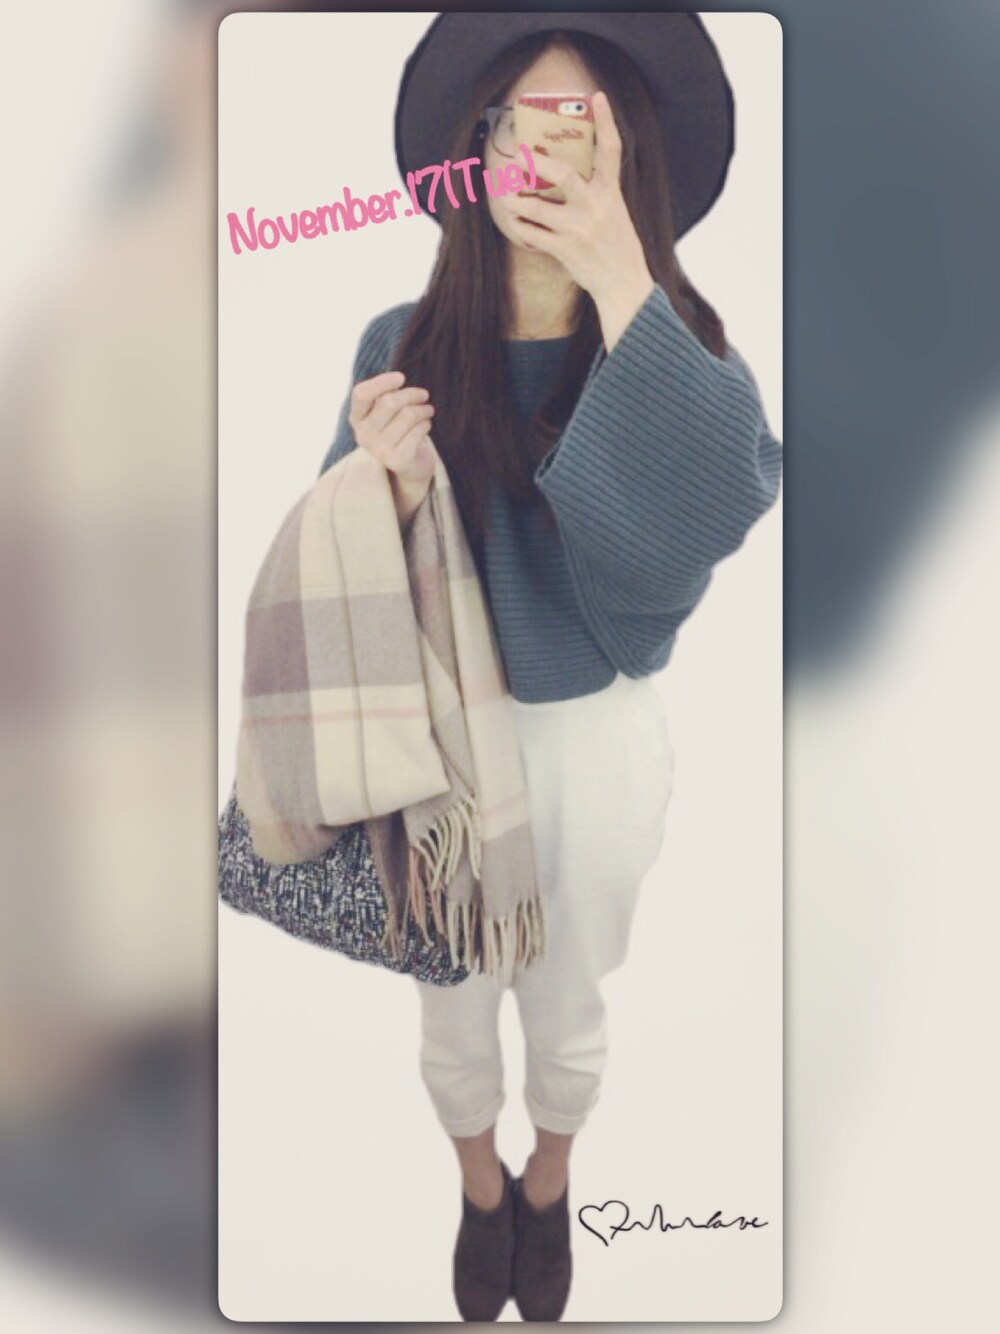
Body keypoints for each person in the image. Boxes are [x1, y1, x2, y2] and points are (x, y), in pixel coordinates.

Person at [318, 15, 782, 1322]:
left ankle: (550, 1176)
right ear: (479, 148)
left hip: (597, 736)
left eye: (584, 123)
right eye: (521, 121)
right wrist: (378, 479)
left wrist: (624, 276)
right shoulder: (399, 342)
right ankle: (483, 1189)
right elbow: (341, 583)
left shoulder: (681, 344)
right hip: (441, 748)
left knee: (572, 996)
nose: (548, 150)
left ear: (627, 152)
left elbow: (707, 521)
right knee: (451, 1003)